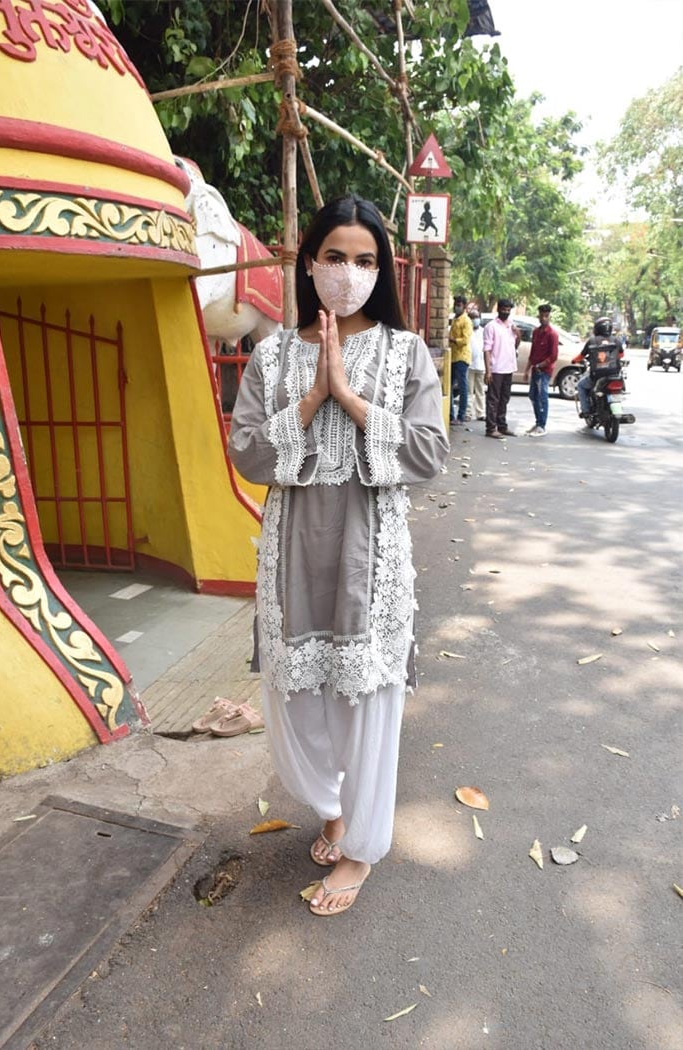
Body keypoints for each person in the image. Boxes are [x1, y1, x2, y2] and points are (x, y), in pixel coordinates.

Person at [228, 195, 449, 917]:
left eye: (364, 260)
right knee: (298, 703)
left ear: (380, 268)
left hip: (370, 554)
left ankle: (360, 850)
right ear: (308, 261)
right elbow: (251, 455)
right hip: (292, 556)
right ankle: (331, 809)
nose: (348, 273)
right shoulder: (270, 355)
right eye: (334, 257)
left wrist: (348, 398)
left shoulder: (405, 351)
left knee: (367, 701)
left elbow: (426, 453)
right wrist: (310, 395)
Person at [483, 298, 520, 438]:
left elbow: (515, 345)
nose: (506, 311)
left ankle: (502, 426)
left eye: (508, 309)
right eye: (503, 309)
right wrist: (488, 371)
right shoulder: (491, 326)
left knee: (505, 398)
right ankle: (491, 428)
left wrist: (518, 334)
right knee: (493, 399)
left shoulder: (511, 325)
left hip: (509, 368)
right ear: (498, 309)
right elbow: (487, 350)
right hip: (496, 368)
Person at [524, 303, 558, 436]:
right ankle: (538, 421)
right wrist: (527, 370)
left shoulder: (552, 334)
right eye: (542, 315)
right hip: (535, 369)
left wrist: (541, 365)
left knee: (542, 396)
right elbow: (533, 353)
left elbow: (553, 356)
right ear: (538, 316)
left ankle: (542, 425)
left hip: (544, 371)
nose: (544, 318)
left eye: (546, 316)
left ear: (549, 317)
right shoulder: (536, 332)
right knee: (533, 396)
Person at [576, 316, 622, 417]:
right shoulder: (616, 340)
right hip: (614, 374)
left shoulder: (592, 341)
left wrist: (574, 360)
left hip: (596, 376)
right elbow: (621, 355)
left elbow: (581, 356)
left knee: (581, 385)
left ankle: (585, 410)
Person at [449, 294, 472, 425]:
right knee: (450, 387)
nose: (456, 307)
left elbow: (465, 340)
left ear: (464, 307)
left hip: (462, 357)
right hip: (453, 356)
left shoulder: (466, 321)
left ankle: (461, 415)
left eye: (459, 305)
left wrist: (453, 340)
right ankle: (451, 415)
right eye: (455, 304)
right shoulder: (455, 319)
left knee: (462, 388)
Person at [468, 308, 486, 421]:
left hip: (481, 365)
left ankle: (480, 413)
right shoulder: (467, 331)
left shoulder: (483, 331)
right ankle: (468, 413)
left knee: (480, 391)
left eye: (477, 317)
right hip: (469, 365)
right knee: (468, 391)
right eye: (473, 317)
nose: (475, 320)